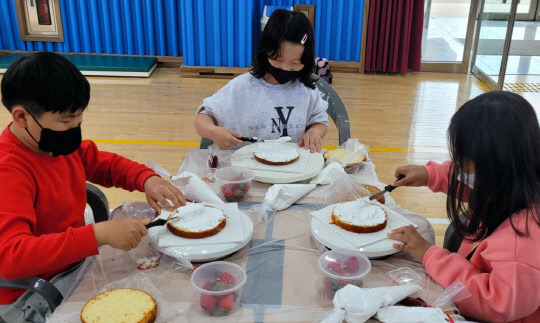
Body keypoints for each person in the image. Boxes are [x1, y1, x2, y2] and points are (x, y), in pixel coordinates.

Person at [0, 52, 186, 315]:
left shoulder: (55, 145)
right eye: (66, 120)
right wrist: (99, 234)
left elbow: (106, 165)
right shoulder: (9, 171)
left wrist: (147, 179)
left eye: (79, 117)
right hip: (32, 292)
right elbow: (11, 257)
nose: (76, 126)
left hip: (72, 266)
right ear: (21, 117)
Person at [388, 91, 540, 322]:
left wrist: (429, 254)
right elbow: (471, 179)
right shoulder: (517, 177)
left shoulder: (520, 244)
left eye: (463, 159)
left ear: (495, 165)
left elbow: (495, 305)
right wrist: (429, 174)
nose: (457, 165)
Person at [194, 9, 329, 153]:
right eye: (278, 59)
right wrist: (213, 131)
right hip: (245, 170)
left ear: (307, 60)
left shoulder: (307, 90)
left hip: (291, 170)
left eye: (295, 63)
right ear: (265, 52)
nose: (285, 67)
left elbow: (319, 121)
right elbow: (203, 117)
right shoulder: (241, 87)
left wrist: (314, 132)